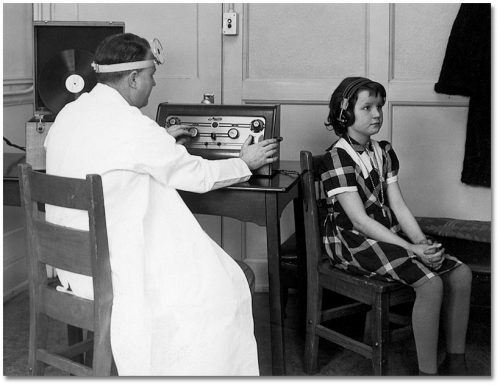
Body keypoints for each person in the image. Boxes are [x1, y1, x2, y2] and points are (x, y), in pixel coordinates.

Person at [44, 33, 280, 376]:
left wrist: (161, 141)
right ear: (133, 78)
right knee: (226, 284)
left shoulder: (69, 112)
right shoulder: (133, 126)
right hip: (111, 274)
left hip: (71, 268)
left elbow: (106, 152)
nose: (153, 83)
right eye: (152, 75)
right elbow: (198, 176)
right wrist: (246, 162)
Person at [319, 77, 472, 375]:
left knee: (462, 273)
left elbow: (398, 206)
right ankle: (428, 374)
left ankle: (458, 361)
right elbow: (360, 221)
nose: (377, 114)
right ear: (345, 112)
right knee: (430, 283)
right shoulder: (337, 158)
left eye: (379, 107)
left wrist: (422, 243)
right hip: (352, 241)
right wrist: (410, 248)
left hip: (388, 234)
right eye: (367, 107)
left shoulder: (383, 151)